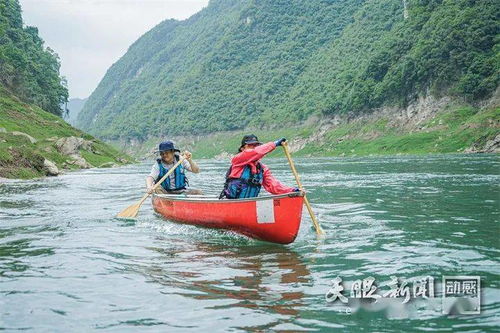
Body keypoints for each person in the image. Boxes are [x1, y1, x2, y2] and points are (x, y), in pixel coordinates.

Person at [220, 134, 299, 199]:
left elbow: (273, 185)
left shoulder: (262, 168)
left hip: (249, 204)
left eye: (256, 145)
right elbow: (254, 152)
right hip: (233, 202)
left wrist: (291, 191)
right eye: (250, 145)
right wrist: (274, 144)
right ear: (242, 149)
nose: (254, 147)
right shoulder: (237, 160)